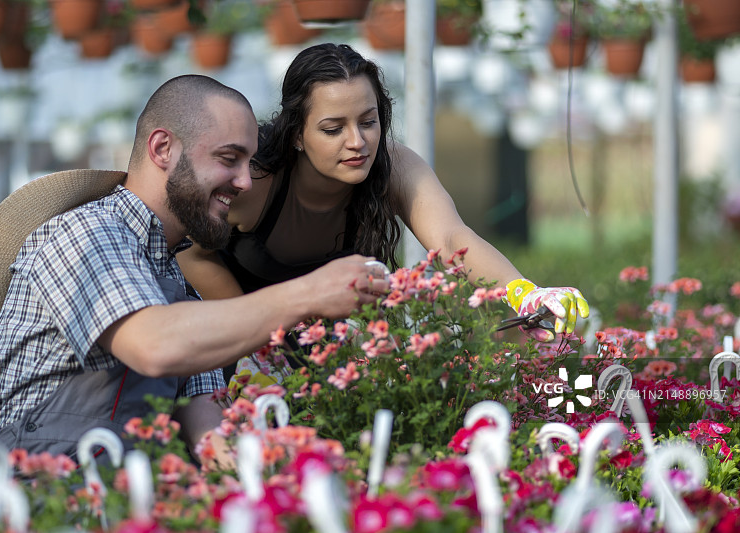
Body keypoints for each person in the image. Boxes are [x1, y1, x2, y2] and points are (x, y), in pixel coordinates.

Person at [0, 74, 389, 459]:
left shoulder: (177, 285)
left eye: (248, 163)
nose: (245, 181)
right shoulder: (87, 231)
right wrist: (310, 293)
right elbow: (155, 345)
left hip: (108, 495)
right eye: (229, 158)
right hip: (18, 491)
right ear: (162, 149)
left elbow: (210, 433)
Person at [176, 43, 590, 384]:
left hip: (335, 359)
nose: (357, 142)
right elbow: (190, 252)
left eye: (368, 122)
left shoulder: (395, 166)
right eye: (333, 129)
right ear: (297, 134)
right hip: (232, 356)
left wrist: (525, 293)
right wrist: (254, 341)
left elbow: (452, 239)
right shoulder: (254, 181)